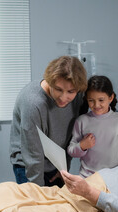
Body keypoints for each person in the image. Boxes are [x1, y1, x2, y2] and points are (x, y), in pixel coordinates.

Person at [9, 56, 87, 187]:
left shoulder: (78, 96)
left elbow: (71, 136)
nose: (63, 97)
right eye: (58, 89)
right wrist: (38, 193)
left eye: (70, 92)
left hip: (56, 162)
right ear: (50, 81)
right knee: (37, 204)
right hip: (28, 164)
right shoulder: (33, 103)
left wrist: (63, 169)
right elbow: (33, 154)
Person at [67, 75, 118, 178]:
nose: (96, 105)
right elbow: (71, 150)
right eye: (91, 100)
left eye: (101, 100)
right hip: (87, 178)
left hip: (114, 178)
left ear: (111, 98)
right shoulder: (81, 121)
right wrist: (82, 146)